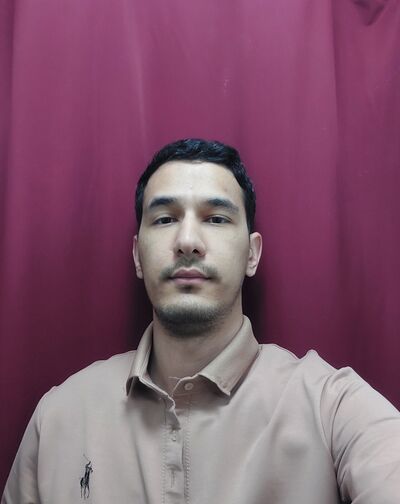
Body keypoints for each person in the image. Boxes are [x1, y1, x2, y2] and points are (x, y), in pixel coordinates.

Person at [2, 139, 400, 504]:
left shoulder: (332, 407)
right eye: (164, 219)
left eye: (216, 218)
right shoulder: (58, 418)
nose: (188, 241)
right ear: (138, 256)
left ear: (252, 254)